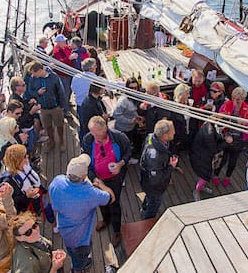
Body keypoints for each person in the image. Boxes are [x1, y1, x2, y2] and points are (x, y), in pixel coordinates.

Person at [49, 154, 115, 272]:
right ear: (84, 176)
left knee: (72, 252)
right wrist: (101, 185)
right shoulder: (90, 193)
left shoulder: (57, 182)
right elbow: (110, 198)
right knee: (80, 258)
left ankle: (79, 262)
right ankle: (77, 268)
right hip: (81, 239)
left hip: (65, 231)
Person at [81, 116, 131, 247]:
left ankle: (116, 230)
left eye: (96, 133)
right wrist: (94, 178)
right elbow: (86, 161)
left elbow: (128, 152)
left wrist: (120, 164)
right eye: (92, 132)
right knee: (101, 201)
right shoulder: (88, 139)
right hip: (98, 179)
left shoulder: (119, 137)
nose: (94, 136)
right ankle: (106, 220)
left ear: (105, 129)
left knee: (114, 204)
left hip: (114, 179)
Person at [213, 87, 248, 187]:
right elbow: (218, 119)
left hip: (239, 140)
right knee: (222, 160)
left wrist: (244, 123)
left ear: (243, 99)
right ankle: (215, 175)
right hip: (226, 137)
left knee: (233, 161)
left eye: (238, 99)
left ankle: (227, 177)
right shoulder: (226, 106)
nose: (235, 101)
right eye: (234, 98)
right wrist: (225, 134)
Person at [139, 119, 177, 219]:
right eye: (172, 130)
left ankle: (144, 208)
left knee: (148, 198)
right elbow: (156, 180)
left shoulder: (151, 137)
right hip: (154, 188)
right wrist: (170, 167)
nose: (174, 132)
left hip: (146, 180)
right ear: (165, 136)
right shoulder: (156, 156)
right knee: (153, 204)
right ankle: (147, 220)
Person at [29, 61, 67, 151]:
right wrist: (37, 93)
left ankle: (62, 141)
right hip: (43, 108)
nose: (33, 75)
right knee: (48, 126)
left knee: (59, 125)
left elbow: (61, 92)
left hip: (55, 107)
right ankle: (51, 141)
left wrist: (62, 106)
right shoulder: (33, 79)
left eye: (34, 73)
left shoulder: (53, 77)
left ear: (40, 70)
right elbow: (30, 91)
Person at [1, 144, 42, 215]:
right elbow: (14, 202)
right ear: (18, 160)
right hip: (26, 210)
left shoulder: (25, 167)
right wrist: (26, 196)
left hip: (36, 198)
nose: (27, 156)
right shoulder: (9, 181)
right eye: (25, 156)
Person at [190, 121, 223, 201]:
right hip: (202, 159)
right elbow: (214, 149)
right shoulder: (209, 134)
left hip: (200, 155)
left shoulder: (207, 126)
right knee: (204, 177)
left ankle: (201, 188)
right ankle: (197, 191)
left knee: (202, 176)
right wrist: (226, 142)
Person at [112, 78, 142, 162]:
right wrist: (129, 121)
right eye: (131, 88)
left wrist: (137, 117)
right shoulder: (123, 101)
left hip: (132, 126)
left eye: (136, 88)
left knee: (133, 141)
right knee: (124, 145)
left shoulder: (136, 96)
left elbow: (133, 110)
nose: (134, 90)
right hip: (123, 128)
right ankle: (126, 160)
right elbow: (115, 115)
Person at [51, 34, 74, 116]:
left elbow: (70, 50)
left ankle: (67, 102)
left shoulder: (66, 47)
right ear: (59, 42)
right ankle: (65, 110)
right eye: (63, 41)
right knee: (65, 91)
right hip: (63, 74)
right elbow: (60, 62)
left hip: (69, 73)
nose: (65, 42)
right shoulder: (57, 51)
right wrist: (69, 58)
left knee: (70, 89)